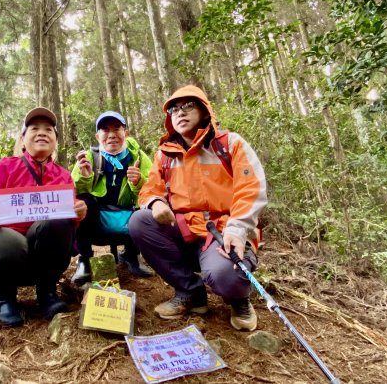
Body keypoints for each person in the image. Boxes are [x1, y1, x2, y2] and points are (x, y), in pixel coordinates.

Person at [128, 85, 267, 331]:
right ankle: (190, 292)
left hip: (224, 231)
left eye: (188, 106)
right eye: (173, 109)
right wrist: (156, 202)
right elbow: (150, 189)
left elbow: (251, 189)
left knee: (226, 277)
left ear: (205, 111)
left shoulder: (229, 144)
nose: (179, 112)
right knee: (140, 221)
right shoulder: (165, 155)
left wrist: (238, 229)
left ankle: (238, 298)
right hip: (185, 231)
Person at [0, 107, 87, 327]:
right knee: (4, 239)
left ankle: (47, 293)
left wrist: (77, 215)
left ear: (55, 141)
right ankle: (4, 298)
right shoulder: (5, 167)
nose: (42, 132)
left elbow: (66, 228)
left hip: (39, 263)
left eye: (48, 129)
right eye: (34, 128)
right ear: (23, 139)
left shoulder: (63, 176)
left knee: (59, 220)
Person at [70, 111, 153, 285]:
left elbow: (153, 190)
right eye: (105, 130)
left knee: (148, 207)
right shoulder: (89, 157)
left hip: (129, 215)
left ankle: (132, 255)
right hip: (96, 219)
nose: (111, 135)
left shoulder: (138, 157)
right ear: (97, 135)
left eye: (117, 128)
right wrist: (85, 177)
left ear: (126, 133)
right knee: (83, 202)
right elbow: (72, 192)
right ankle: (85, 260)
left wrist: (137, 181)